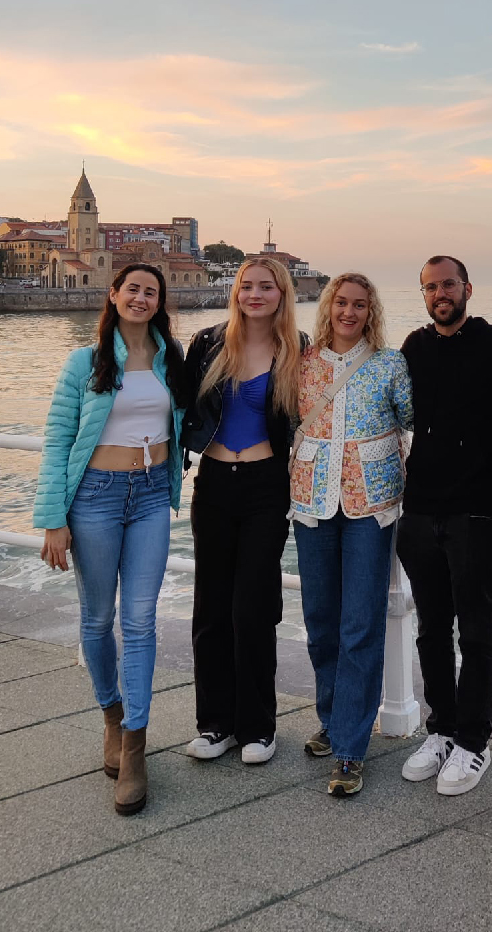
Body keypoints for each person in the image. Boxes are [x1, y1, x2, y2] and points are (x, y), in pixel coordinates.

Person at [34, 263, 186, 816]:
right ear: (115, 295)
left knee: (141, 619)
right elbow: (56, 440)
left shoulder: (172, 359)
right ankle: (112, 717)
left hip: (150, 496)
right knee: (98, 620)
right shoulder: (84, 362)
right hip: (94, 496)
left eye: (151, 291)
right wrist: (54, 517)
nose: (141, 298)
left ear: (160, 301)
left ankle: (137, 747)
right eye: (133, 290)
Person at [396, 255, 492, 794]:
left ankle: (474, 742)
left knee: (475, 629)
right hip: (420, 509)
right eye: (431, 287)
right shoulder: (413, 348)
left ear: (468, 287)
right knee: (429, 630)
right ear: (423, 295)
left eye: (448, 284)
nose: (440, 293)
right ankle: (441, 728)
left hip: (480, 513)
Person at [291, 271, 413, 798]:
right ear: (327, 307)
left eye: (359, 305)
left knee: (360, 623)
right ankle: (333, 718)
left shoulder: (390, 363)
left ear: (371, 312)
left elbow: (412, 417)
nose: (348, 312)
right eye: (340, 303)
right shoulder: (302, 363)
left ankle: (350, 748)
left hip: (370, 506)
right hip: (312, 502)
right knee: (320, 620)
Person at [181, 256, 307, 765]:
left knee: (252, 609)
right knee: (211, 609)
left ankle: (258, 726)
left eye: (266, 287)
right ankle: (216, 725)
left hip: (265, 487)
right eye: (246, 285)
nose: (254, 294)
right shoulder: (208, 342)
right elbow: (174, 396)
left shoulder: (297, 352)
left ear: (282, 295)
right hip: (212, 484)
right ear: (235, 291)